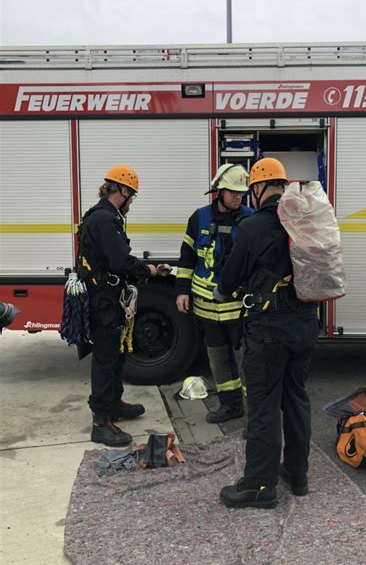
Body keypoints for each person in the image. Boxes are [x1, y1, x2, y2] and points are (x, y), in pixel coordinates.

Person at [215, 158, 320, 509]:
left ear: (258, 189)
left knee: (263, 405)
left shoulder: (252, 227)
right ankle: (297, 474)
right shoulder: (304, 220)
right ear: (284, 185)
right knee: (296, 398)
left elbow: (229, 279)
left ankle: (259, 486)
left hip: (269, 330)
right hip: (305, 325)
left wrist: (221, 290)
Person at [79, 165, 167, 447]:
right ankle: (101, 422)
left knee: (116, 354)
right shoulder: (105, 219)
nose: (132, 203)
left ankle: (114, 403)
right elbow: (120, 261)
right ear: (124, 191)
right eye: (133, 197)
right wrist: (150, 271)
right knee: (106, 358)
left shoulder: (105, 216)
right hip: (103, 300)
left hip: (108, 296)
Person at [176, 163, 254, 423]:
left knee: (247, 360)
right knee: (218, 360)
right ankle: (231, 406)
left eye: (241, 193)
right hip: (207, 306)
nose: (237, 197)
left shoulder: (251, 218)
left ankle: (255, 409)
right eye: (232, 192)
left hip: (239, 307)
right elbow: (187, 258)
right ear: (218, 191)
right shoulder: (198, 218)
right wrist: (182, 291)